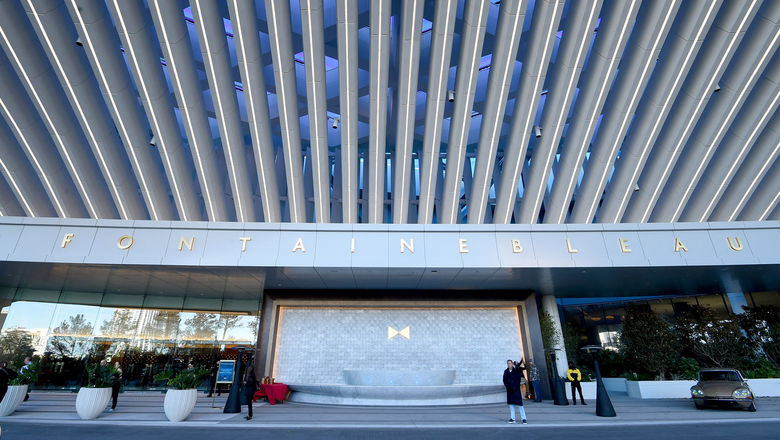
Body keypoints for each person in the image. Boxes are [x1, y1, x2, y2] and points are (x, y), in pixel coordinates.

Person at [503, 359, 527, 424]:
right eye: (508, 363)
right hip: (509, 390)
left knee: (520, 405)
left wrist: (520, 363)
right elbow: (504, 380)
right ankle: (513, 418)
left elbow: (518, 379)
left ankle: (524, 418)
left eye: (510, 363)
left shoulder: (516, 370)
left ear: (512, 364)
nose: (509, 364)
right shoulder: (506, 371)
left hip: (516, 390)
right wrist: (508, 387)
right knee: (511, 405)